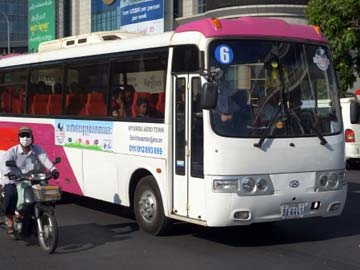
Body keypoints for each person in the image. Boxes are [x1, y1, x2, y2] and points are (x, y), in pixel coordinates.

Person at [0, 126, 59, 236]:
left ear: (32, 137)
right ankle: (10, 221)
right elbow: (4, 165)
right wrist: (10, 173)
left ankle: (40, 217)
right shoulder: (12, 151)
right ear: (19, 138)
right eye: (22, 136)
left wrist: (53, 169)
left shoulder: (37, 149)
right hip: (15, 180)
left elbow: (45, 160)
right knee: (11, 194)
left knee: (46, 194)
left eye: (27, 135)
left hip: (32, 179)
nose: (25, 138)